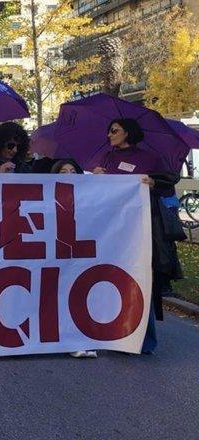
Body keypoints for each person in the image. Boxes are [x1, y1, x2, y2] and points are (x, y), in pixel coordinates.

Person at [92, 118, 182, 354]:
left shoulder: (149, 158)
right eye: (108, 130)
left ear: (128, 133)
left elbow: (168, 184)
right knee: (111, 277)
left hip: (140, 228)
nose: (109, 135)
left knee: (141, 279)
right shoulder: (107, 158)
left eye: (114, 130)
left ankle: (144, 340)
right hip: (110, 228)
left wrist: (153, 182)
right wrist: (95, 176)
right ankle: (112, 332)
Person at [49, 158, 96, 358]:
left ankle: (79, 340)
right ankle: (65, 340)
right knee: (59, 296)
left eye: (72, 171)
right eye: (62, 172)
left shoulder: (90, 194)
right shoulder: (46, 195)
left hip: (79, 253)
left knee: (78, 296)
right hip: (57, 253)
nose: (68, 174)